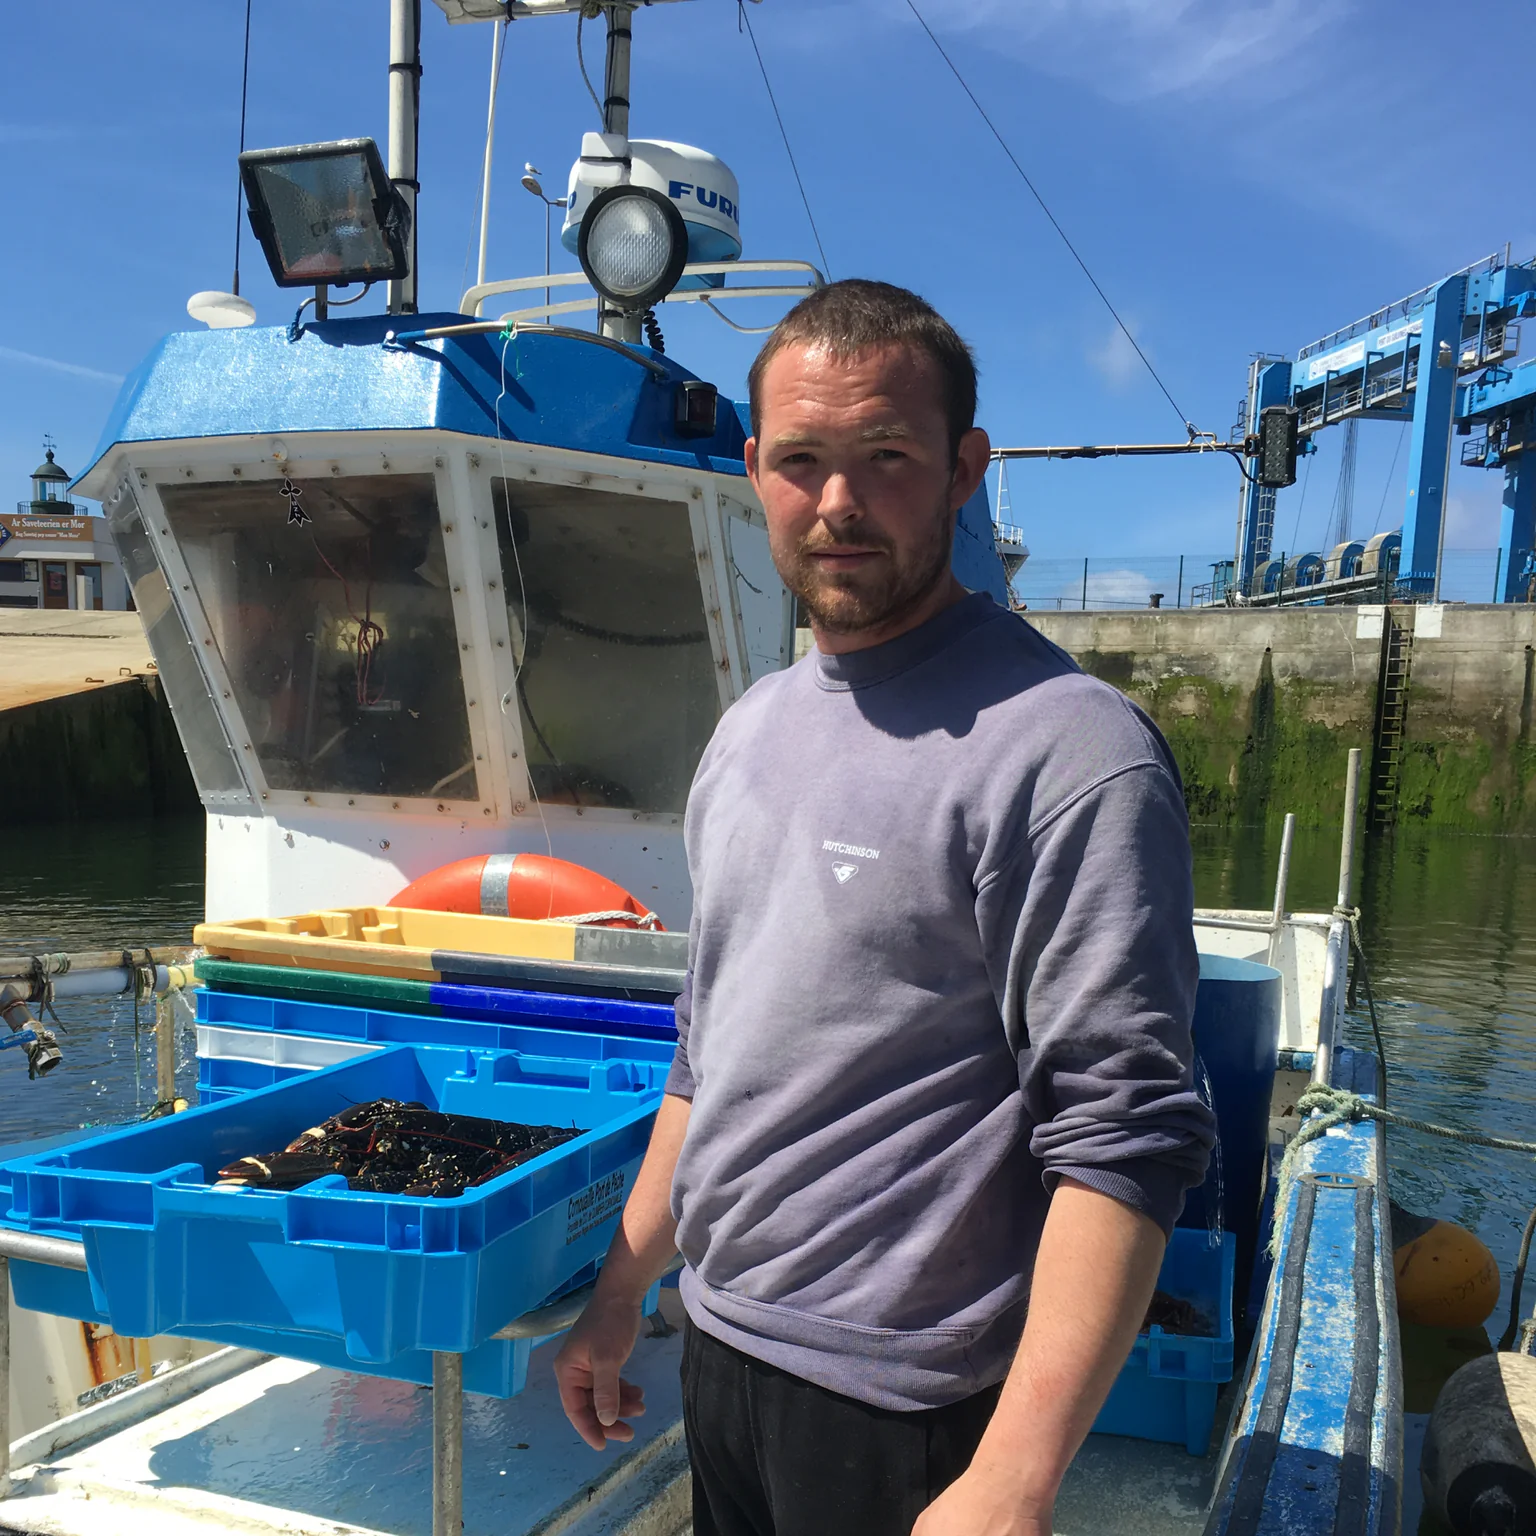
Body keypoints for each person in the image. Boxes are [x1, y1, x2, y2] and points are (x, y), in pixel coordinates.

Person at [553, 279, 1215, 1535]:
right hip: (721, 1345)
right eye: (802, 461)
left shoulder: (1068, 751)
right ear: (755, 469)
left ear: (964, 470)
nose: (839, 502)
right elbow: (710, 1056)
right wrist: (622, 1287)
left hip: (906, 1406)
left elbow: (1123, 1138)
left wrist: (1014, 1478)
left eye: (887, 457)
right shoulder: (748, 732)